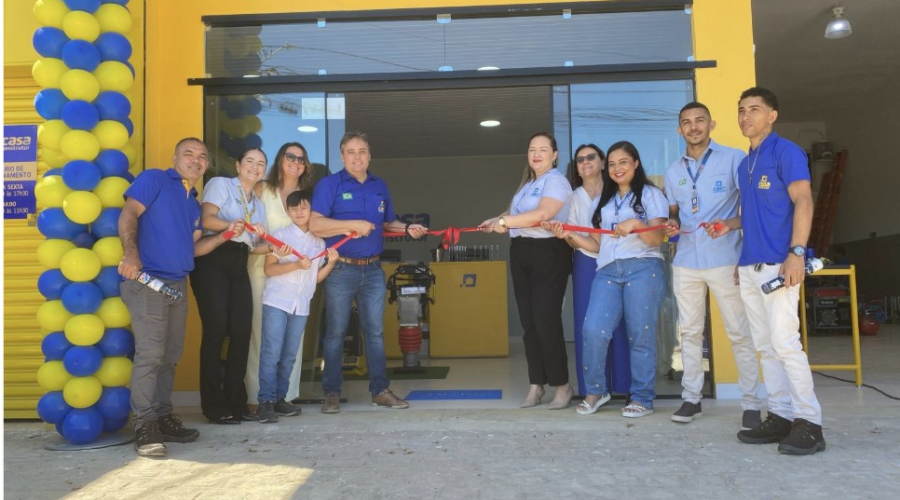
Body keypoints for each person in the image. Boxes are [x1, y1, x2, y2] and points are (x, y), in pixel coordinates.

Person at [709, 87, 825, 455]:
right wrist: (731, 228)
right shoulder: (747, 163)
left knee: (786, 344)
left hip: (780, 264)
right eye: (741, 110)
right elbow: (759, 213)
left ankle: (810, 423)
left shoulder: (785, 152)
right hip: (750, 266)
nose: (746, 117)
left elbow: (802, 200)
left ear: (772, 115)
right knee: (765, 346)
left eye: (754, 110)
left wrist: (796, 253)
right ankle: (780, 415)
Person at [118, 137, 243, 457]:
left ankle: (162, 416)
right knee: (150, 354)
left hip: (177, 285)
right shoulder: (154, 179)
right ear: (175, 158)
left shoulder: (192, 203)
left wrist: (226, 235)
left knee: (170, 356)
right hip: (147, 281)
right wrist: (130, 254)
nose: (196, 160)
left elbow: (194, 249)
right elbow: (129, 214)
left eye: (202, 156)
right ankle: (144, 425)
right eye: (189, 154)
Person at [309, 131, 428, 414]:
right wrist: (353, 224)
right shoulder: (329, 185)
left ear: (369, 155)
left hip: (374, 269)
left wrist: (407, 228)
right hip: (341, 268)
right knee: (336, 333)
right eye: (351, 152)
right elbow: (315, 225)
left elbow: (389, 223)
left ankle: (380, 391)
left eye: (362, 151)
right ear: (342, 156)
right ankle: (331, 393)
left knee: (374, 333)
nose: (357, 157)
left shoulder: (379, 186)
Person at [662, 102, 763, 430]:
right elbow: (675, 212)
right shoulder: (673, 170)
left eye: (699, 121)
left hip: (726, 259)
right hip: (686, 261)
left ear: (711, 124)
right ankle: (692, 398)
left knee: (738, 332)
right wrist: (671, 224)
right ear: (679, 130)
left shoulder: (735, 158)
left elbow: (752, 208)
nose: (693, 127)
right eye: (686, 123)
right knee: (690, 333)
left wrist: (731, 227)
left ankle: (750, 403)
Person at [550, 141, 667, 418]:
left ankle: (641, 397)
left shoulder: (650, 195)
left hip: (643, 267)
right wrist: (567, 235)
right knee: (593, 330)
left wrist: (637, 225)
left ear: (635, 164)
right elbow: (595, 245)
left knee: (640, 334)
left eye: (623, 162)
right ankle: (596, 390)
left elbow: (656, 239)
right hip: (607, 271)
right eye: (613, 164)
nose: (617, 168)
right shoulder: (605, 202)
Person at [479, 132, 574, 410]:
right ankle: (536, 384)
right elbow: (511, 214)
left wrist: (505, 221)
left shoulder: (556, 181)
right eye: (532, 149)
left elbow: (543, 214)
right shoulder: (527, 184)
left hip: (548, 254)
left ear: (554, 155)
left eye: (543, 149)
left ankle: (563, 385)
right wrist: (494, 220)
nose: (537, 154)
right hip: (521, 253)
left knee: (546, 321)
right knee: (530, 324)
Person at [190, 147, 276, 424]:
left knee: (241, 333)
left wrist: (271, 245)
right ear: (238, 165)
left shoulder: (258, 205)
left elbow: (255, 247)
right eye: (249, 161)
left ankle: (237, 404)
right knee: (216, 332)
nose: (255, 167)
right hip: (214, 257)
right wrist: (232, 226)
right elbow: (206, 220)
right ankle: (215, 406)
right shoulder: (221, 185)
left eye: (261, 163)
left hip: (240, 262)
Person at [245, 142, 315, 418]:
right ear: (280, 159)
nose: (296, 162)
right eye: (290, 156)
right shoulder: (263, 189)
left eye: (301, 158)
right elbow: (250, 231)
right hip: (263, 267)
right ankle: (256, 397)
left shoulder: (307, 197)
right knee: (262, 336)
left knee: (291, 341)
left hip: (297, 274)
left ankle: (283, 396)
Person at [257, 190, 338, 423]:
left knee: (290, 355)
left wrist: (331, 263)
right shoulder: (280, 236)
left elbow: (316, 278)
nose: (300, 212)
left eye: (304, 207)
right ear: (288, 212)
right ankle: (265, 402)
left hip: (301, 305)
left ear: (311, 210)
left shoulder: (319, 242)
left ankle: (280, 399)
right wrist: (295, 266)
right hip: (277, 301)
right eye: (295, 209)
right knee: (271, 353)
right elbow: (269, 269)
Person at [565, 145, 632, 399]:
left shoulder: (618, 190)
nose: (586, 162)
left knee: (621, 323)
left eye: (591, 157)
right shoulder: (573, 197)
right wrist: (575, 239)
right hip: (585, 261)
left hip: (619, 259)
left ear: (603, 162)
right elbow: (570, 237)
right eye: (580, 160)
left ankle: (625, 386)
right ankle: (593, 389)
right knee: (588, 325)